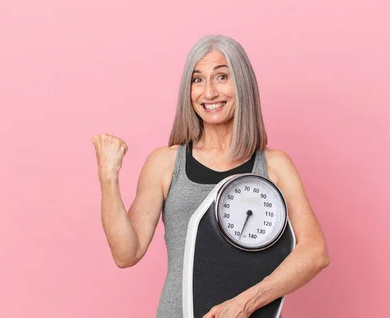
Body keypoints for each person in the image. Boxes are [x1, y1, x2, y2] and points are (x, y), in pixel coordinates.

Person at [92, 35, 330, 318]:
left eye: (221, 77)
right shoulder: (166, 163)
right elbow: (126, 254)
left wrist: (245, 303)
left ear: (242, 84)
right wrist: (108, 177)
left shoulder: (274, 166)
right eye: (197, 80)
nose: (208, 93)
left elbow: (315, 253)